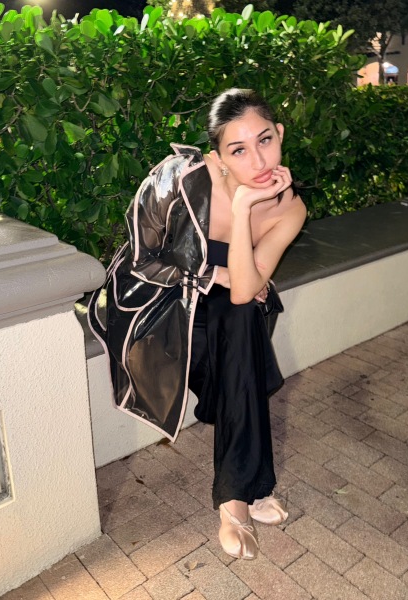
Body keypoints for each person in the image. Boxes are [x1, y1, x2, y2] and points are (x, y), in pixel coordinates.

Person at [88, 88, 307, 560]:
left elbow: (245, 292)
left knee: (243, 317)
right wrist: (214, 275)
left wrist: (245, 207)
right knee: (240, 350)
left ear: (280, 134)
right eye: (238, 150)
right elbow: (140, 262)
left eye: (265, 140)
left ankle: (234, 500)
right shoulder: (178, 179)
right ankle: (256, 485)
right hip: (161, 304)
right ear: (218, 157)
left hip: (229, 315)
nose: (258, 160)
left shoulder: (289, 208)